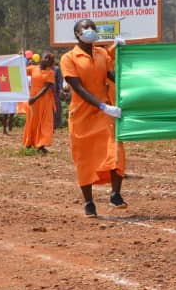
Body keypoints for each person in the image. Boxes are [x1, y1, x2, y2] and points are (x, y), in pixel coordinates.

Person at [60, 19, 126, 217]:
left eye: (92, 28)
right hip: (82, 115)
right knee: (85, 159)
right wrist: (102, 106)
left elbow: (113, 75)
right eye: (85, 28)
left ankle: (115, 194)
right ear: (77, 33)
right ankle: (89, 202)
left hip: (104, 114)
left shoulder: (102, 53)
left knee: (115, 149)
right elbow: (78, 89)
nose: (90, 31)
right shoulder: (69, 58)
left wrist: (124, 57)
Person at [23, 52, 57, 153]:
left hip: (44, 100)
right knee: (32, 119)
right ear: (41, 58)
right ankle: (29, 142)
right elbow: (20, 71)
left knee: (44, 121)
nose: (47, 60)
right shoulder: (33, 68)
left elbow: (46, 88)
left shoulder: (50, 73)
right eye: (45, 58)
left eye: (49, 59)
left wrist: (35, 98)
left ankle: (41, 144)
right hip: (32, 99)